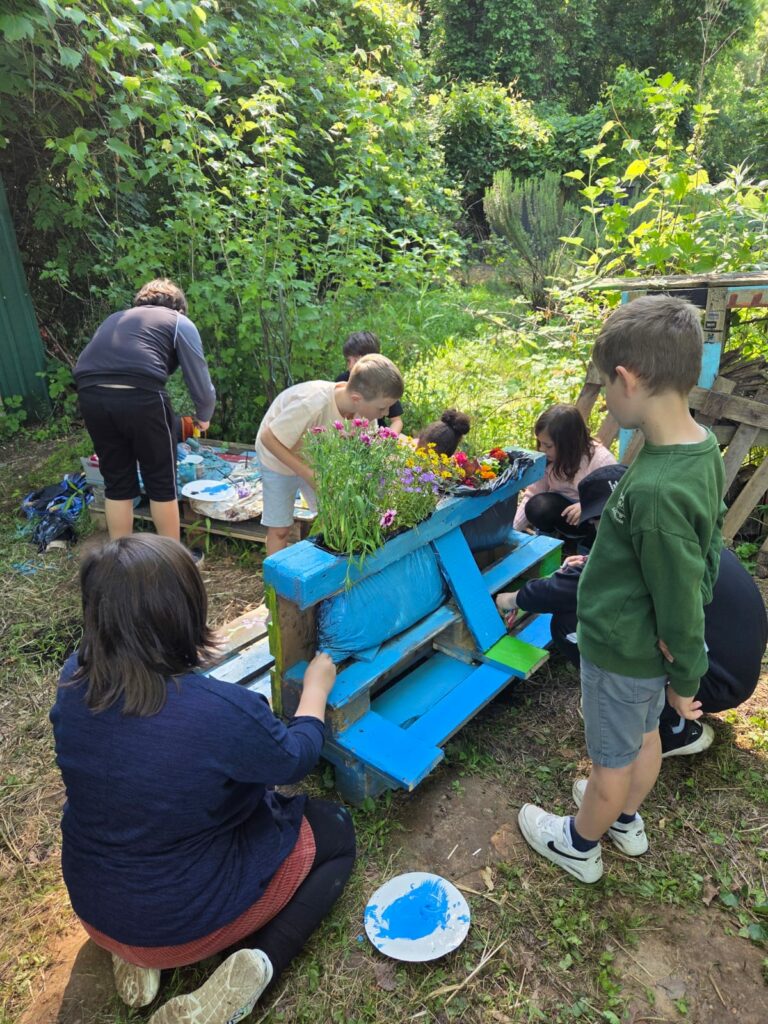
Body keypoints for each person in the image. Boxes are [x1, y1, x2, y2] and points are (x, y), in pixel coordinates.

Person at [50, 536, 355, 1024]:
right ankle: (260, 963)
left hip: (94, 908)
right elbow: (295, 759)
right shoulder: (217, 713)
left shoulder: (74, 679)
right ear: (184, 614)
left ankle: (132, 957)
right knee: (335, 830)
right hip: (178, 925)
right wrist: (315, 690)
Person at [516, 294, 725, 884]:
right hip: (646, 648)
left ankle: (579, 844)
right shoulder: (699, 447)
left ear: (628, 380)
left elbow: (679, 599)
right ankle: (626, 818)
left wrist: (686, 679)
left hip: (622, 647)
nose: (605, 397)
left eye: (606, 385)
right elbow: (705, 549)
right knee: (644, 736)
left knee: (610, 761)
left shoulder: (656, 489)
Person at [497, 465, 766, 758]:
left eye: (599, 522)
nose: (599, 531)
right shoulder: (668, 530)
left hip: (715, 678)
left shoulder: (634, 553)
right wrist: (590, 562)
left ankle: (672, 730)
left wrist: (509, 599)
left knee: (570, 624)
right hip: (729, 666)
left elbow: (565, 591)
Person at [74, 279, 216, 543]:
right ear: (179, 307)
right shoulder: (179, 321)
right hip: (142, 394)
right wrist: (204, 416)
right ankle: (170, 559)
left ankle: (121, 557)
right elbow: (199, 380)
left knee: (117, 483)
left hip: (91, 395)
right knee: (161, 483)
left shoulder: (116, 318)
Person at [256, 354, 403, 555]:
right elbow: (268, 438)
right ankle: (274, 575)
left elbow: (362, 454)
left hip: (316, 461)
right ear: (356, 399)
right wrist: (309, 474)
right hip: (277, 456)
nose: (386, 413)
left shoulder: (365, 414)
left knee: (334, 517)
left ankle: (323, 569)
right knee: (280, 529)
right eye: (382, 408)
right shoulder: (312, 403)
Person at [513, 403, 616, 543]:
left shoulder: (600, 459)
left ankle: (587, 544)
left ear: (569, 443)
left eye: (548, 445)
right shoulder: (548, 459)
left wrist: (587, 507)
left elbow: (613, 498)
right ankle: (554, 539)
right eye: (540, 443)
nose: (542, 449)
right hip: (561, 512)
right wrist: (512, 529)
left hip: (591, 520)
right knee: (538, 505)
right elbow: (533, 494)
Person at [335, 331, 404, 434]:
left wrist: (387, 438)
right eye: (349, 360)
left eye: (357, 360)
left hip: (376, 434)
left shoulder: (384, 384)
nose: (351, 366)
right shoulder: (342, 380)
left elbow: (397, 421)